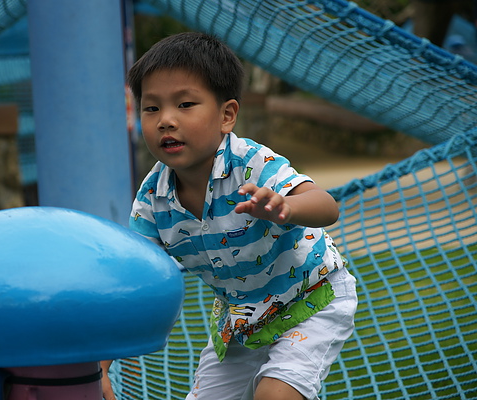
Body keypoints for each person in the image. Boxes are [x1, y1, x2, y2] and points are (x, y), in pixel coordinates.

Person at [106, 32, 358, 400]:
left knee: (276, 394)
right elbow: (132, 286)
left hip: (311, 299)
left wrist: (286, 207)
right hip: (242, 321)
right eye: (152, 108)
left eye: (185, 104)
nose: (166, 121)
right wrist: (99, 366)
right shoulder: (151, 202)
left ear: (227, 115)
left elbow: (326, 205)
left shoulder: (251, 164)